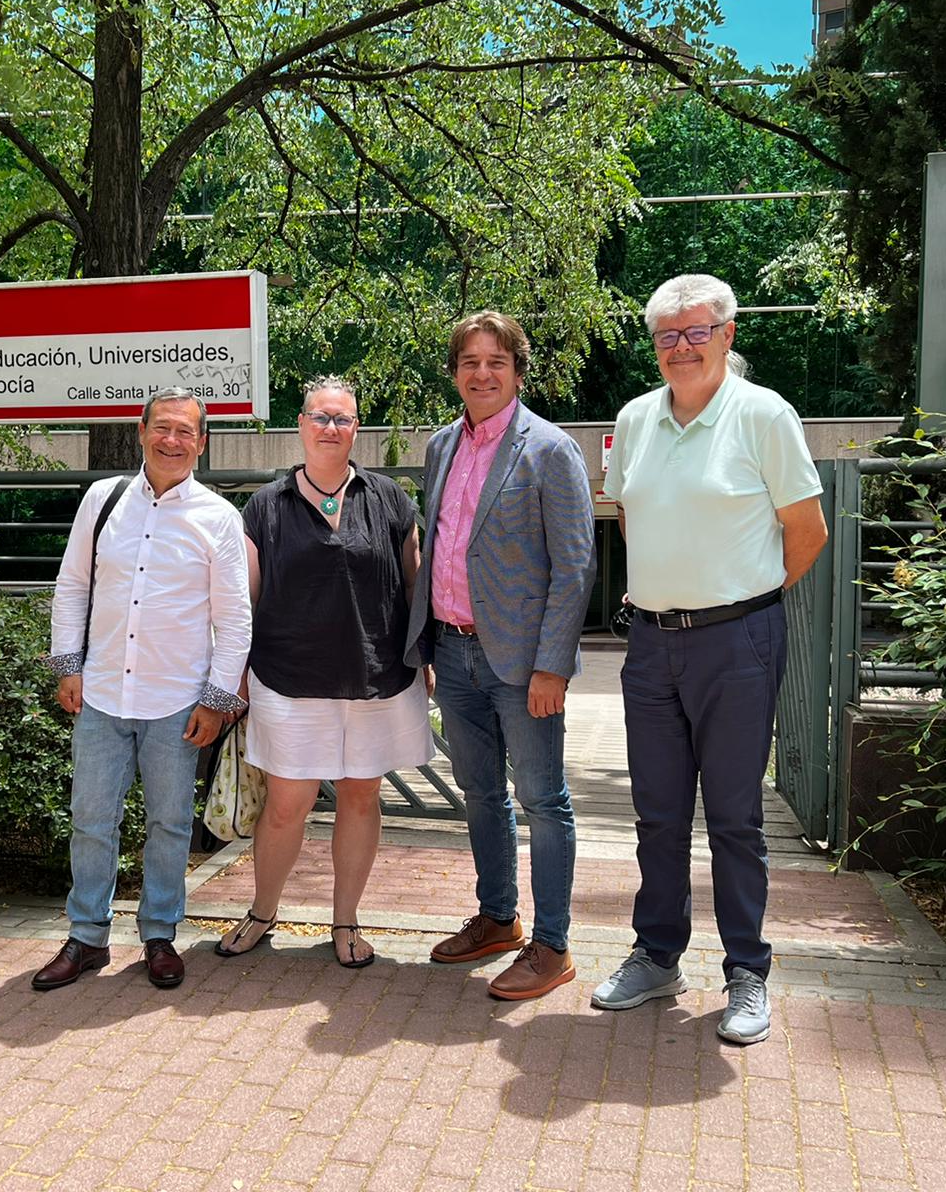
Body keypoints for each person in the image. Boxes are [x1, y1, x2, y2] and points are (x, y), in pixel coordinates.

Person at [592, 274, 828, 1045]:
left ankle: (747, 972)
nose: (682, 348)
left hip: (740, 641)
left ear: (728, 334)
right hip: (652, 641)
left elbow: (808, 530)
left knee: (734, 818)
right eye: (667, 336)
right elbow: (630, 514)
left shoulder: (764, 415)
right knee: (657, 815)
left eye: (697, 332)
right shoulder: (633, 419)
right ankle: (658, 956)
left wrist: (742, 598)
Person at [404, 311, 597, 1000]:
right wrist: (425, 644)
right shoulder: (440, 446)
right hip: (453, 657)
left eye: (496, 362)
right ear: (455, 371)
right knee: (480, 794)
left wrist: (553, 665)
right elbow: (436, 549)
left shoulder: (548, 449)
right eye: (469, 362)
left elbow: (574, 566)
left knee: (543, 799)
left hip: (522, 665)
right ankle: (497, 918)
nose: (481, 374)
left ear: (517, 370)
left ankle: (553, 946)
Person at [34, 388, 251, 991]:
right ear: (141, 430)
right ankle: (86, 938)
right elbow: (73, 585)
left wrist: (217, 701)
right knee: (91, 819)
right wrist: (68, 666)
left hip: (178, 703)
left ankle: (160, 935)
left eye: (186, 431)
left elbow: (235, 620)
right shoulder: (103, 502)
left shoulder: (219, 518)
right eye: (163, 427)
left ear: (202, 442)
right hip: (102, 694)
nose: (172, 440)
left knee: (170, 825)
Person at [215, 376, 433, 969]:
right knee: (288, 804)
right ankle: (263, 911)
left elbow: (415, 586)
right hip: (288, 677)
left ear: (356, 427)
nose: (330, 427)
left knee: (362, 798)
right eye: (320, 417)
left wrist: (425, 656)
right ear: (302, 424)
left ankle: (346, 921)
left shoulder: (390, 498)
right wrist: (232, 677)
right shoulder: (265, 505)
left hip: (378, 677)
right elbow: (245, 600)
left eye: (342, 418)